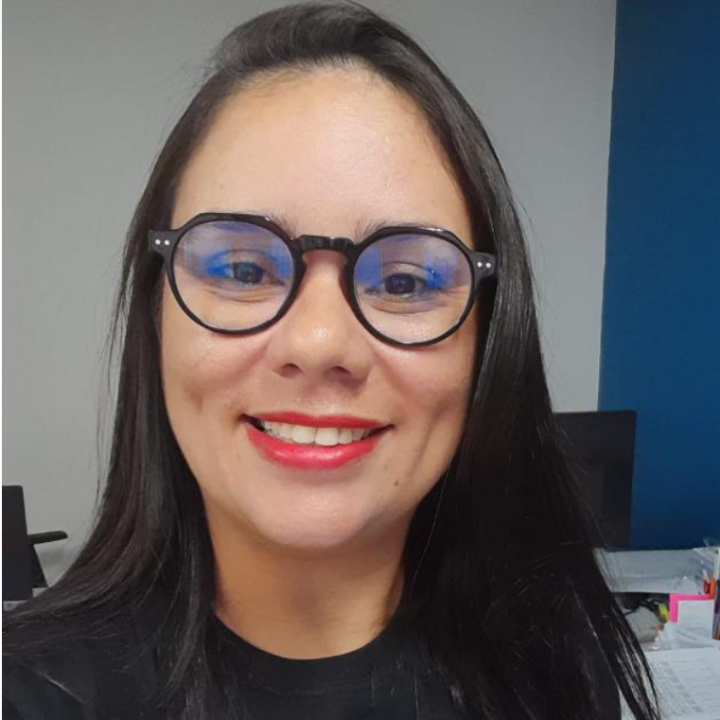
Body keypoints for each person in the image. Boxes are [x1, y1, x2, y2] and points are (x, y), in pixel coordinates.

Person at [3, 2, 660, 719]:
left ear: (488, 339)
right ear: (154, 313)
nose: (319, 345)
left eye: (405, 282)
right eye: (243, 270)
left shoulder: (555, 664)